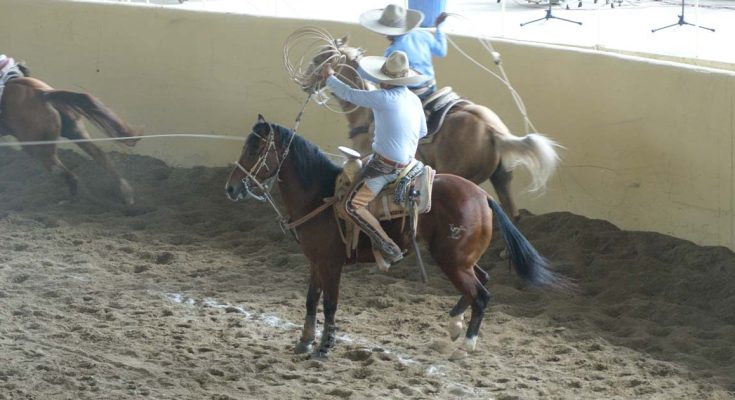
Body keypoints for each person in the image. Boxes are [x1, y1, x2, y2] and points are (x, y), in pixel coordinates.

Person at [321, 50, 428, 267]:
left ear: (386, 81)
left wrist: (329, 77)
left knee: (352, 205)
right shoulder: (414, 99)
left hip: (386, 167)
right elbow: (423, 132)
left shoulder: (384, 98)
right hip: (410, 165)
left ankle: (388, 246)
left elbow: (350, 94)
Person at [359, 4, 448, 100]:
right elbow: (441, 52)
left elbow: (382, 77)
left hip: (413, 93)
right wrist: (439, 28)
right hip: (431, 87)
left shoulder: (393, 52)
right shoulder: (423, 34)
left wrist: (360, 73)